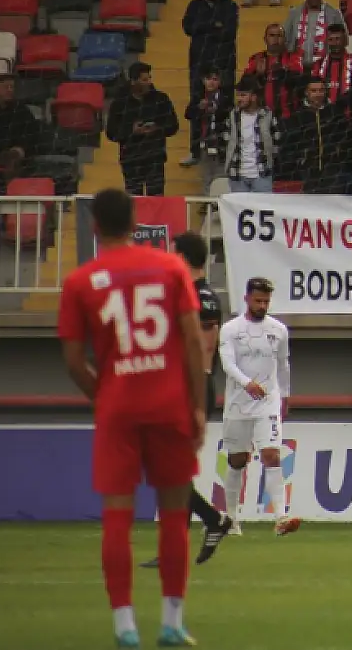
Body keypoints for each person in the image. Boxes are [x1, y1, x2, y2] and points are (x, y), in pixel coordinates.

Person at [56, 188, 206, 648]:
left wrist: (104, 397)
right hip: (168, 404)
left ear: (95, 226)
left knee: (117, 516)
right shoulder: (171, 268)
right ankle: (172, 621)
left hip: (118, 407)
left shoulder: (80, 281)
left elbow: (73, 360)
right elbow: (193, 343)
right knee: (175, 514)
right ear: (136, 221)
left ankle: (124, 626)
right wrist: (198, 406)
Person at [139, 232, 235, 571]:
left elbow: (205, 352)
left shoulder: (204, 298)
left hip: (192, 389)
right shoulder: (181, 294)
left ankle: (195, 533)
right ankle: (210, 522)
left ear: (182, 257)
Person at [218, 276, 298, 535]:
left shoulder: (278, 330)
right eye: (258, 300)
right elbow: (227, 364)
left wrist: (284, 396)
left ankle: (281, 518)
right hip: (238, 403)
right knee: (237, 459)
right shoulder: (231, 329)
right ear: (247, 299)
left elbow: (283, 364)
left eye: (266, 301)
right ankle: (231, 518)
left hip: (267, 401)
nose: (262, 305)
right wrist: (246, 383)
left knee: (272, 454)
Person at [106, 63, 180, 196]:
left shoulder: (161, 99)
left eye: (150, 78)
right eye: (145, 80)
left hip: (155, 157)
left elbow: (173, 125)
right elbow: (111, 132)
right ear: (133, 81)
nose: (149, 82)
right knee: (135, 201)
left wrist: (156, 128)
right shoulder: (119, 103)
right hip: (130, 159)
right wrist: (131, 131)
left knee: (156, 200)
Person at [283, 76, 352, 194]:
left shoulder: (335, 113)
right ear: (306, 92)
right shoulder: (298, 116)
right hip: (306, 171)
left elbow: (346, 139)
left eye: (321, 90)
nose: (318, 94)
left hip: (333, 170)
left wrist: (339, 156)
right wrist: (300, 161)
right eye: (313, 91)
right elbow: (290, 144)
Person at [182, 0, 238, 103]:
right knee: (197, 104)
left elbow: (229, 33)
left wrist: (201, 27)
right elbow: (188, 28)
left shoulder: (230, 6)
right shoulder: (194, 5)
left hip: (224, 62)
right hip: (199, 61)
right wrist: (213, 25)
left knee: (224, 103)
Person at [308, 24, 352, 126]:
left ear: (345, 40)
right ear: (327, 41)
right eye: (331, 39)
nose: (334, 43)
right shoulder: (318, 64)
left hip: (349, 120)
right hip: (322, 120)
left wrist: (337, 107)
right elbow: (314, 90)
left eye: (338, 39)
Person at [223, 78, 277, 194]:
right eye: (238, 95)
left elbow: (276, 140)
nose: (239, 99)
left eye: (243, 95)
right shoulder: (233, 116)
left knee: (263, 209)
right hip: (237, 176)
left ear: (254, 97)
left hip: (262, 175)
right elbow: (226, 140)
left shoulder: (267, 115)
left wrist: (271, 164)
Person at [242, 23, 304, 121]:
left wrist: (281, 71)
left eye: (279, 35)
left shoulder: (293, 58)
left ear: (284, 39)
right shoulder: (256, 59)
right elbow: (244, 85)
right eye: (272, 35)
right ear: (265, 39)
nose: (275, 39)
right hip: (260, 117)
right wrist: (258, 75)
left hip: (288, 117)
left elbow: (298, 82)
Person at [182, 66, 229, 182]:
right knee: (206, 179)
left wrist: (216, 110)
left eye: (215, 79)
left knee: (220, 179)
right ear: (203, 80)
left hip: (221, 144)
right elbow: (188, 114)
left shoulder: (225, 98)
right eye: (208, 79)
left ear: (220, 82)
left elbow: (229, 116)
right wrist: (199, 107)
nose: (211, 82)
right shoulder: (198, 97)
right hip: (203, 144)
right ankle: (208, 200)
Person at [284, 0, 343, 66]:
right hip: (297, 65)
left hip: (325, 66)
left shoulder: (334, 13)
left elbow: (344, 39)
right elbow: (285, 37)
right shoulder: (294, 13)